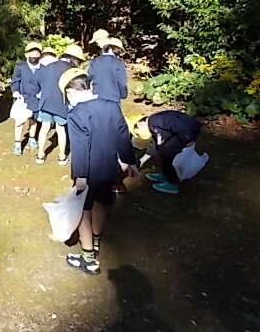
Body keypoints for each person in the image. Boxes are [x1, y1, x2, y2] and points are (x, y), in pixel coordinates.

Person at [60, 68, 139, 275]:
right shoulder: (112, 106)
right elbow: (123, 135)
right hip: (110, 169)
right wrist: (130, 161)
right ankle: (95, 241)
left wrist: (80, 176)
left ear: (70, 92)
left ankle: (89, 260)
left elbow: (80, 148)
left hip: (88, 172)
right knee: (101, 203)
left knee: (83, 211)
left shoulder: (76, 114)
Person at [35, 44, 86, 165]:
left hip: (46, 101)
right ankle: (62, 157)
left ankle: (40, 155)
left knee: (44, 128)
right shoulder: (71, 70)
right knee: (61, 129)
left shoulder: (49, 66)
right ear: (74, 58)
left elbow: (40, 82)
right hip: (61, 103)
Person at [135, 110, 202, 194]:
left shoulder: (155, 120)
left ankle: (173, 183)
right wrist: (142, 161)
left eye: (137, 129)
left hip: (188, 129)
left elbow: (178, 124)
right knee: (164, 148)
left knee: (169, 151)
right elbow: (156, 144)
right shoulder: (153, 125)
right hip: (183, 130)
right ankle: (166, 174)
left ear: (141, 123)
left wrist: (188, 138)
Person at [10, 42, 43, 155]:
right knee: (19, 121)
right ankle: (17, 143)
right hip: (23, 98)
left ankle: (32, 138)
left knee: (33, 119)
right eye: (31, 53)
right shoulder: (20, 67)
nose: (34, 55)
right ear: (26, 54)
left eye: (37, 53)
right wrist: (15, 91)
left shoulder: (42, 68)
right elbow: (15, 81)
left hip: (36, 98)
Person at [88, 37, 128, 104]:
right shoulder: (118, 63)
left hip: (96, 98)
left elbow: (88, 79)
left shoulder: (94, 62)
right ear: (116, 49)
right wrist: (123, 95)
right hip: (113, 99)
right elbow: (122, 83)